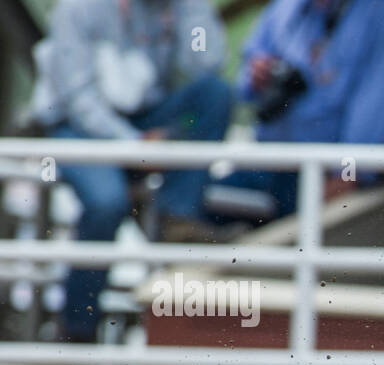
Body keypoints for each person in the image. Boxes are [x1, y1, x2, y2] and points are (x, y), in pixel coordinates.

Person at [22, 0, 231, 341]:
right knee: (106, 202)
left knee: (214, 96)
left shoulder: (180, 9)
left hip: (148, 122)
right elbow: (78, 98)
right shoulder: (80, 9)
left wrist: (192, 12)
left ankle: (177, 216)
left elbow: (207, 65)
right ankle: (77, 329)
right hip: (76, 128)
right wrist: (134, 144)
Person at [215, 0, 384, 221]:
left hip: (324, 175)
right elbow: (245, 84)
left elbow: (375, 108)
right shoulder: (283, 8)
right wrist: (256, 77)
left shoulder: (382, 16)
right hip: (265, 164)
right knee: (208, 204)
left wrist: (347, 176)